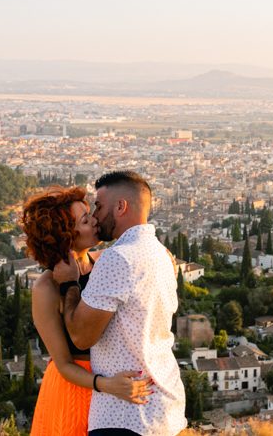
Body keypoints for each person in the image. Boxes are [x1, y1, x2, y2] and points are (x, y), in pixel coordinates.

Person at [54, 171, 186, 436]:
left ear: (121, 207)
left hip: (126, 415)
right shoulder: (159, 253)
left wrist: (69, 285)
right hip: (165, 409)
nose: (95, 215)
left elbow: (81, 337)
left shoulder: (118, 259)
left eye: (100, 206)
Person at [20, 185, 154, 436]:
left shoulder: (106, 261)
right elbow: (63, 364)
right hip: (75, 392)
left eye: (90, 212)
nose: (95, 220)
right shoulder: (46, 289)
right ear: (65, 236)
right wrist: (107, 385)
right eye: (85, 219)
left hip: (114, 390)